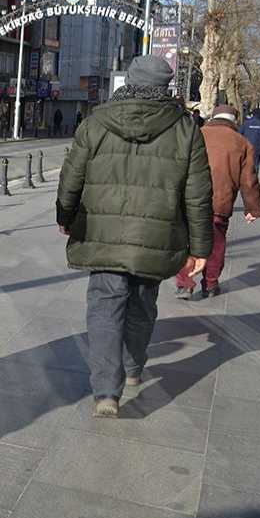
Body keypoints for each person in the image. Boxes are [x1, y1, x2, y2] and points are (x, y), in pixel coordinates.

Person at [56, 55, 213, 419]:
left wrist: (65, 217)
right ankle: (132, 368)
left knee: (104, 308)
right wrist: (201, 247)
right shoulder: (185, 129)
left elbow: (71, 178)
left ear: (130, 79)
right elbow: (198, 194)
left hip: (102, 233)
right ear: (165, 86)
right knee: (143, 305)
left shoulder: (96, 122)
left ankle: (105, 393)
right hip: (156, 237)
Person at [175, 105, 260, 299]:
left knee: (187, 242)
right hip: (220, 204)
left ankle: (184, 284)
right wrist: (253, 209)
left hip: (191, 201)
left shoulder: (196, 134)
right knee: (216, 244)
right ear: (235, 120)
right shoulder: (242, 143)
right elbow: (249, 180)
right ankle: (211, 284)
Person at [239, 108, 260, 174]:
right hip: (257, 148)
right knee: (255, 165)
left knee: (245, 164)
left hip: (245, 147)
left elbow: (239, 134)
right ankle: (253, 180)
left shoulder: (246, 123)